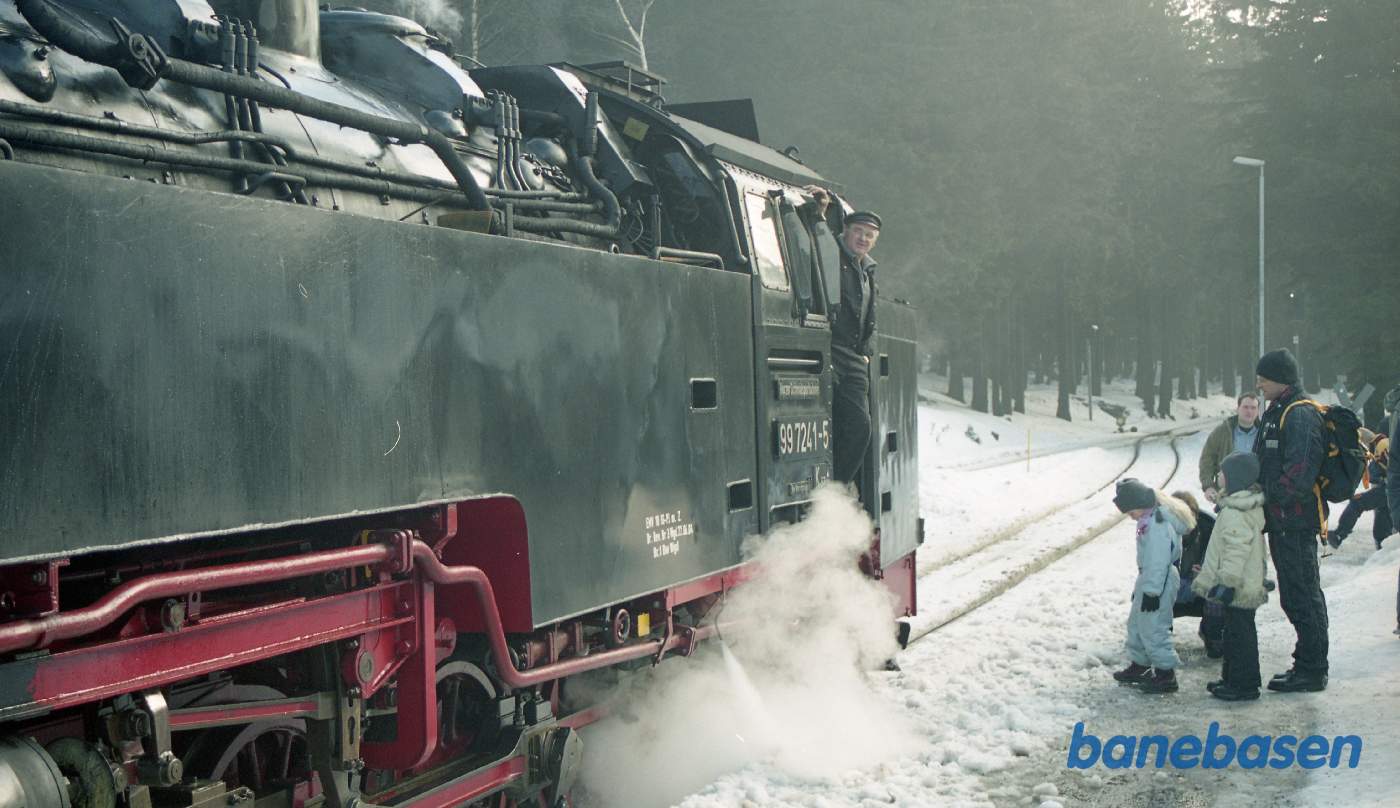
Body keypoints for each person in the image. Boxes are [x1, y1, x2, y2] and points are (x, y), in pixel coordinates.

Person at [1253, 348, 1329, 692]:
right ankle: (1307, 662)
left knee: (1303, 593)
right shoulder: (1277, 410)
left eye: (1263, 377)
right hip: (1282, 520)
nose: (1258, 383)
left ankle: (1313, 669)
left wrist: (1270, 498)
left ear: (1280, 379)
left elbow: (1299, 472)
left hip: (1295, 521)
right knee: (1295, 593)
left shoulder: (1298, 415)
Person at [809, 187, 880, 485]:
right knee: (843, 424)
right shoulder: (832, 254)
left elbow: (868, 316)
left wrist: (866, 351)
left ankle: (835, 490)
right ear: (846, 231)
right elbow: (816, 242)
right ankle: (831, 490)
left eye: (870, 235)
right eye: (859, 232)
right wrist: (819, 213)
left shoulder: (867, 270)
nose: (863, 239)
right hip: (832, 349)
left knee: (861, 428)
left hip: (854, 357)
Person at [1193, 452, 1268, 701]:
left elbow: (1236, 551)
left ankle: (1243, 684)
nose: (1219, 477)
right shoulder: (1235, 506)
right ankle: (1233, 678)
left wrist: (1226, 583)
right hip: (1242, 584)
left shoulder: (1236, 512)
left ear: (1235, 478)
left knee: (1239, 636)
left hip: (1237, 586)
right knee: (1234, 632)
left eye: (1223, 473)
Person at [1111, 479, 1193, 694]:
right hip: (1151, 578)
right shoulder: (1148, 519)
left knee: (1154, 626)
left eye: (1131, 511)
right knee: (1138, 623)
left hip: (1159, 579)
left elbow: (1158, 560)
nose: (1130, 516)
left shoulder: (1156, 524)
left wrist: (1151, 592)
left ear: (1139, 503)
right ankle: (1141, 665)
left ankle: (1166, 674)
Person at [1171, 491, 1223, 657]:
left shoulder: (1210, 530)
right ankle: (1157, 639)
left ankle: (1213, 636)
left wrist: (1207, 574)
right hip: (1173, 588)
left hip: (1201, 588)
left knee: (1219, 595)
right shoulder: (1160, 531)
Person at [1328, 430, 1392, 550]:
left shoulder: (1381, 446)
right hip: (1389, 489)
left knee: (1357, 502)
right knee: (1382, 522)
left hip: (1390, 489)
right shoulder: (1385, 443)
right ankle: (1383, 550)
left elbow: (1374, 474)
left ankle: (1339, 534)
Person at [1200, 393, 1262, 504]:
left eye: (1253, 408)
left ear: (1258, 411)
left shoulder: (1265, 434)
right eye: (1245, 407)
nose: (1249, 411)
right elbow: (1207, 459)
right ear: (1238, 409)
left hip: (1256, 494)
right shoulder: (1223, 431)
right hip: (1228, 494)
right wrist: (1208, 486)